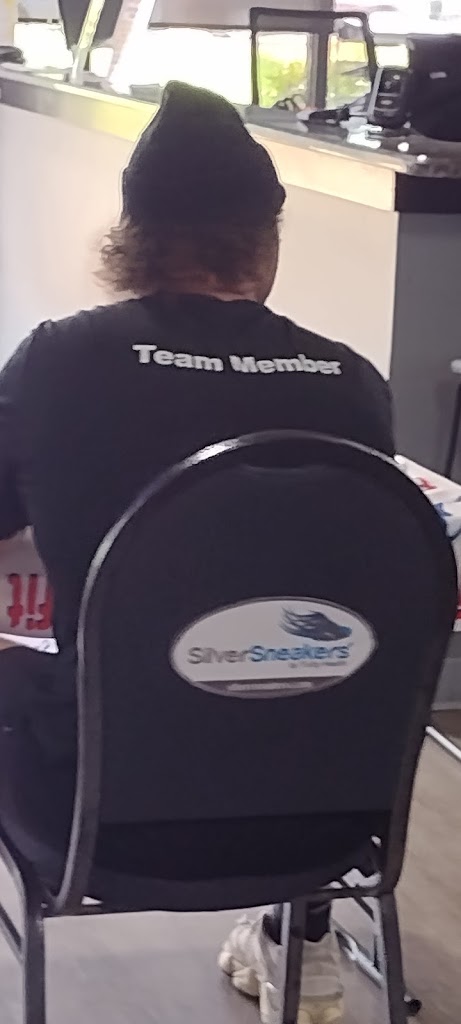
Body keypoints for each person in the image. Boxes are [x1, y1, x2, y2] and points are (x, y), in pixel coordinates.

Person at [0, 81, 394, 1024]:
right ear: (265, 242)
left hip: (98, 816)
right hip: (328, 818)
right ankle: (302, 939)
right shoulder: (352, 385)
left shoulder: (59, 361)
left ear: (132, 237)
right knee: (301, 659)